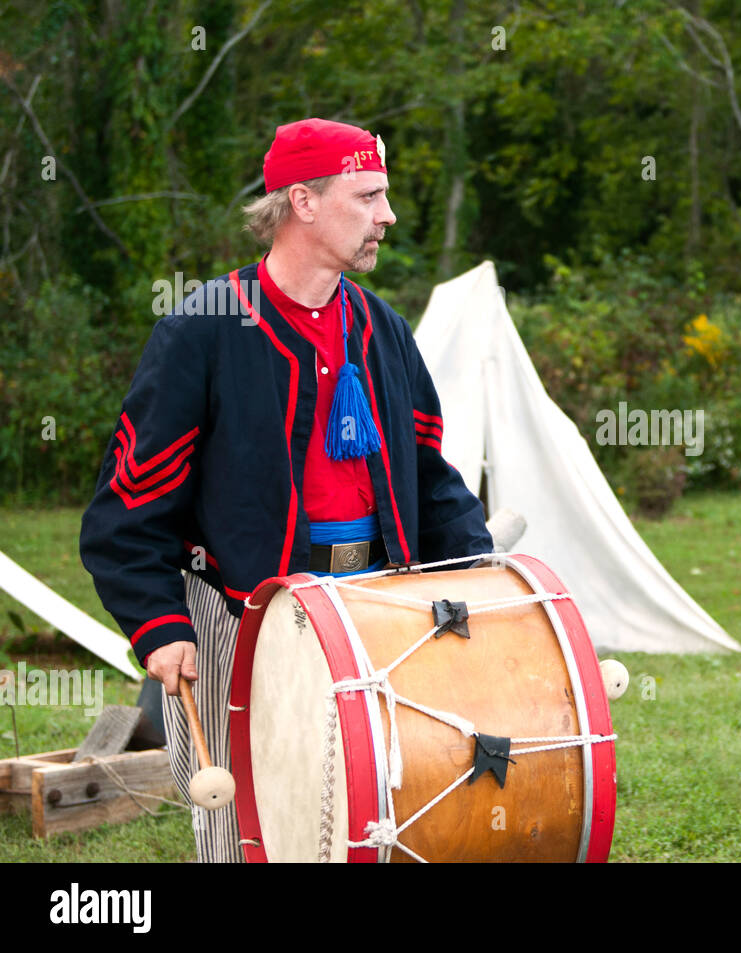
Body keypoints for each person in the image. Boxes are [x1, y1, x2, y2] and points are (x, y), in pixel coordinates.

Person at [80, 118, 493, 862]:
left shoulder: (381, 328)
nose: (386, 216)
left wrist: (478, 571)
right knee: (246, 828)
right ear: (302, 202)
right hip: (240, 615)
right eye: (368, 196)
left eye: (385, 196)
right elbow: (128, 506)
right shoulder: (202, 330)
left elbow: (431, 477)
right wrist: (158, 622)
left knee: (369, 815)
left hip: (374, 610)